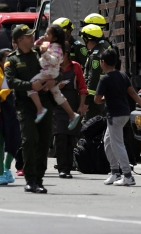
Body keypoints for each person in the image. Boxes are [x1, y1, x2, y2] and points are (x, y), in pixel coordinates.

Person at [4, 24, 61, 193]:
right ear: (19, 40)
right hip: (25, 106)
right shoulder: (12, 60)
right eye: (28, 36)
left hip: (45, 103)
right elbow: (11, 81)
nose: (32, 38)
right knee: (29, 140)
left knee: (44, 142)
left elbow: (58, 70)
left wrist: (54, 81)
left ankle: (39, 179)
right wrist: (30, 85)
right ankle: (30, 179)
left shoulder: (41, 54)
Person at [95, 49, 141, 186]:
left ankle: (128, 176)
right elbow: (133, 93)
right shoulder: (122, 75)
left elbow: (97, 100)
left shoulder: (105, 79)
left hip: (114, 115)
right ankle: (115, 172)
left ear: (103, 63)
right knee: (108, 142)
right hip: (125, 113)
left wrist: (104, 99)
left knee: (117, 144)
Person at [30, 25, 81, 128]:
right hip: (50, 73)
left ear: (55, 38)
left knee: (31, 85)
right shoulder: (48, 44)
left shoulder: (56, 47)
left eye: (48, 34)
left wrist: (44, 53)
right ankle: (72, 114)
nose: (45, 35)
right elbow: (35, 45)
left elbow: (54, 61)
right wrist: (41, 40)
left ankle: (40, 108)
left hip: (49, 72)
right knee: (58, 95)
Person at [53, 41, 87, 178]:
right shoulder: (53, 68)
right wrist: (57, 87)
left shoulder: (76, 67)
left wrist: (81, 105)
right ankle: (62, 168)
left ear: (66, 55)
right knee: (60, 136)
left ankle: (68, 166)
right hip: (57, 108)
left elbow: (82, 88)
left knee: (70, 138)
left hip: (73, 107)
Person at [0, 48, 21, 185]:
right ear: (0, 61)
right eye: (7, 58)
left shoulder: (18, 73)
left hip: (14, 114)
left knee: (15, 142)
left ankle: (7, 168)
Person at [80, 24, 108, 122]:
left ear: (87, 39)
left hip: (93, 100)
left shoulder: (95, 56)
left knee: (89, 126)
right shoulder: (100, 51)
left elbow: (93, 79)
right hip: (100, 96)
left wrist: (86, 102)